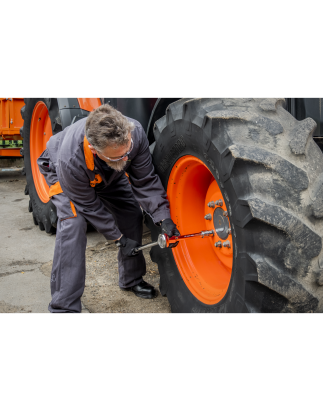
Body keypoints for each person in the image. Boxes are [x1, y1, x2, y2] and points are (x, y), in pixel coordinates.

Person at [37, 104, 180, 314]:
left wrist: (163, 217)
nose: (125, 160)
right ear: (95, 149)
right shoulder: (70, 160)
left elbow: (145, 181)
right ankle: (63, 306)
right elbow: (90, 205)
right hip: (62, 172)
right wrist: (118, 238)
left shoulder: (134, 134)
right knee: (73, 225)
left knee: (131, 211)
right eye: (117, 156)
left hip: (108, 172)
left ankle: (131, 278)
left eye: (127, 153)